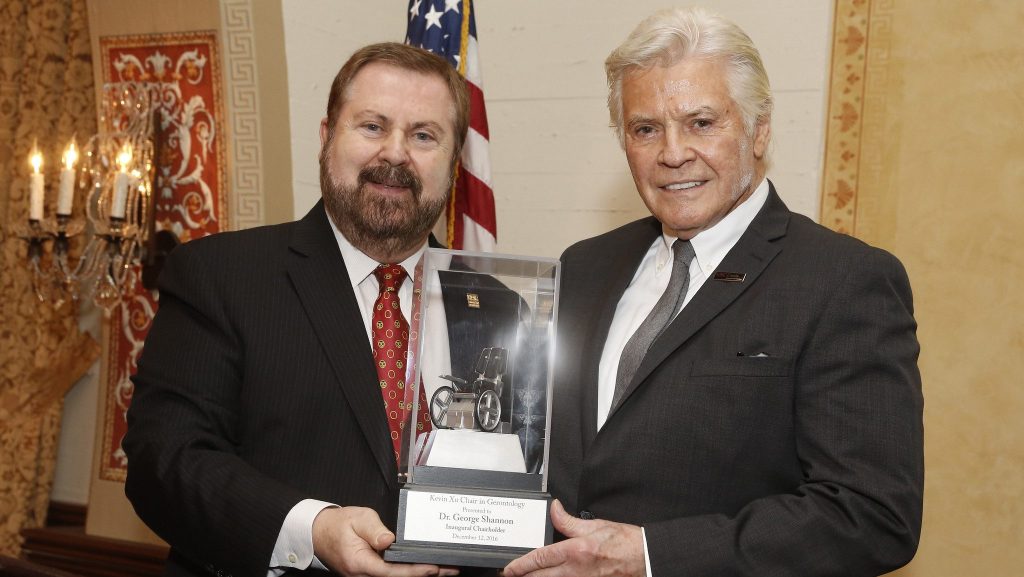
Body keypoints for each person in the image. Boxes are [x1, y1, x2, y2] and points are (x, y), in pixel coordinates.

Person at [504, 7, 923, 577]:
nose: (673, 153)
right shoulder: (583, 267)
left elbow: (872, 515)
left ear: (759, 130)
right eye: (645, 129)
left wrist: (651, 557)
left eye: (701, 122)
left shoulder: (843, 280)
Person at [124, 42, 508, 577]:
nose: (395, 154)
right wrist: (313, 530)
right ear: (326, 138)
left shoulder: (498, 308)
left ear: (454, 162)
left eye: (424, 136)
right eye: (372, 126)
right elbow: (165, 461)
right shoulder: (222, 276)